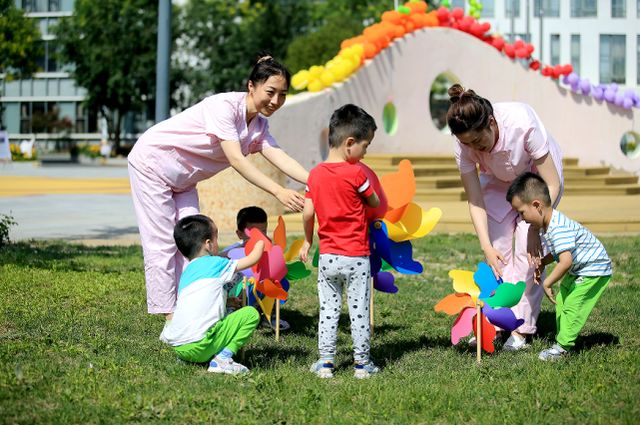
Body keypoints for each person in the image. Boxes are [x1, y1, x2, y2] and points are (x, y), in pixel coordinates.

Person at [128, 56, 309, 319]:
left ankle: (191, 303)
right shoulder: (225, 107)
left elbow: (279, 156)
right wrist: (279, 191)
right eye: (270, 92)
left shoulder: (259, 125)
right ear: (251, 86)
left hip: (184, 179)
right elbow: (236, 159)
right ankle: (169, 316)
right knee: (163, 243)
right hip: (152, 164)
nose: (275, 101)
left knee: (198, 241)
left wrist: (317, 180)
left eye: (282, 95)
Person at [446, 84, 564, 351]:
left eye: (478, 141)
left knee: (526, 250)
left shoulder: (522, 122)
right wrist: (486, 247)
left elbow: (552, 183)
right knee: (497, 253)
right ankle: (496, 322)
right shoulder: (464, 144)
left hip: (537, 179)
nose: (475, 148)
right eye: (467, 144)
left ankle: (521, 328)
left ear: (490, 123)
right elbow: (475, 200)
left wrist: (535, 228)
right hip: (498, 181)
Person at [300, 104, 381, 379]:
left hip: (328, 257)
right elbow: (374, 200)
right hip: (357, 256)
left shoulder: (314, 175)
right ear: (350, 144)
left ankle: (325, 363)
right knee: (358, 312)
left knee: (328, 310)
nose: (365, 153)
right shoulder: (357, 173)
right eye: (365, 146)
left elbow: (308, 212)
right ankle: (361, 365)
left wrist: (307, 242)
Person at [506, 172, 612, 361]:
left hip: (594, 268)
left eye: (522, 212)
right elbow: (558, 253)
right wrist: (543, 262)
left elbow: (565, 261)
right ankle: (563, 338)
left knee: (573, 304)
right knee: (563, 298)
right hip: (582, 267)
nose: (522, 219)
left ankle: (563, 347)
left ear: (537, 205)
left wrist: (547, 283)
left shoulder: (557, 228)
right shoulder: (549, 223)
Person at [160, 214, 265, 374]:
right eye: (217, 238)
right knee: (251, 314)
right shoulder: (217, 264)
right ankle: (222, 359)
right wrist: (260, 242)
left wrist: (227, 301)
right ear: (208, 244)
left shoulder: (187, 271)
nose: (218, 243)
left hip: (179, 348)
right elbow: (252, 259)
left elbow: (202, 302)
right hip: (201, 347)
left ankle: (188, 359)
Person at [220, 205, 290, 330]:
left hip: (260, 289)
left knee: (278, 281)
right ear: (240, 234)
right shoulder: (233, 251)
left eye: (263, 231)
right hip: (238, 295)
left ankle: (269, 316)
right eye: (253, 233)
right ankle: (233, 317)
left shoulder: (268, 251)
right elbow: (218, 261)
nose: (260, 238)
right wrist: (229, 254)